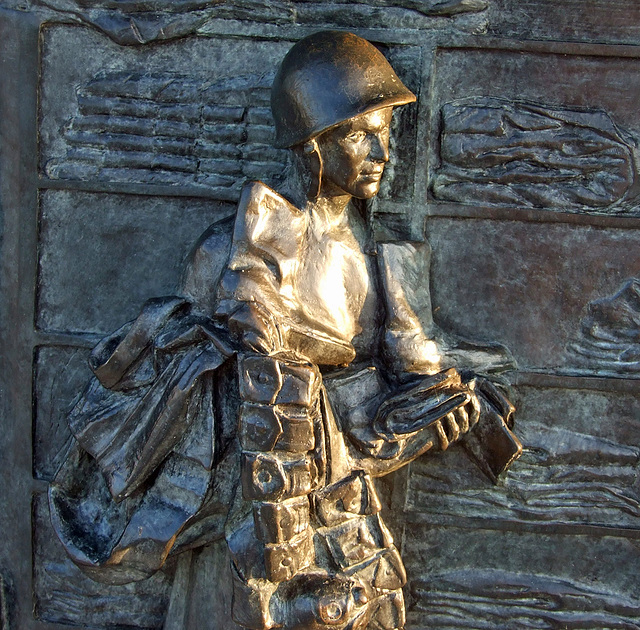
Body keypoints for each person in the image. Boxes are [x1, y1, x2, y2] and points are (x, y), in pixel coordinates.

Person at [50, 31, 520, 630]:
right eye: (359, 134)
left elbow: (396, 393)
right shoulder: (231, 251)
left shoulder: (385, 257)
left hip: (347, 524)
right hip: (249, 534)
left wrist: (441, 411)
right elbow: (199, 397)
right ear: (313, 145)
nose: (382, 152)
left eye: (385, 131)